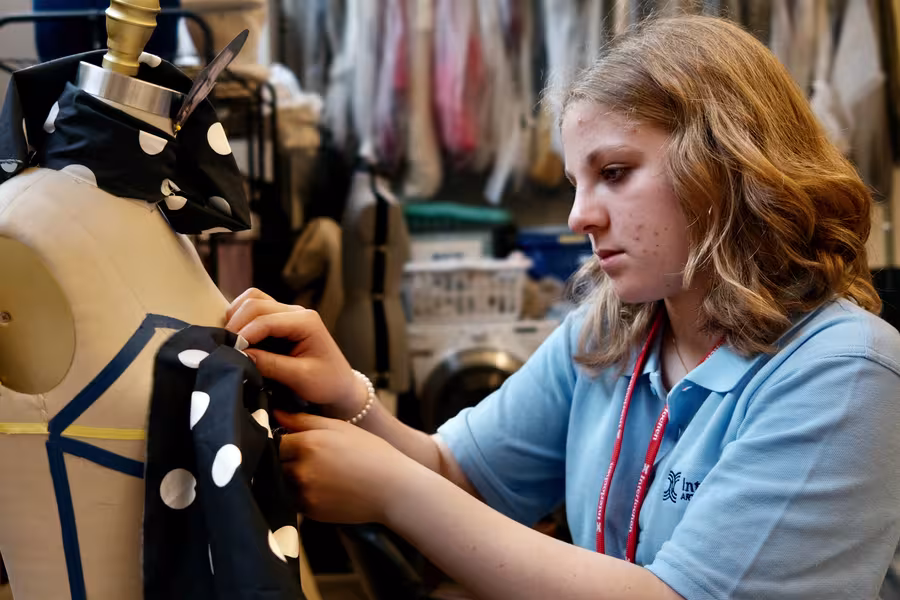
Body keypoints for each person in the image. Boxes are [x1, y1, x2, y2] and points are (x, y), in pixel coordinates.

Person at [224, 15, 900, 600]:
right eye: (578, 181)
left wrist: (395, 493)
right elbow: (462, 477)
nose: (579, 215)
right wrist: (348, 394)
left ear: (725, 163)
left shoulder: (845, 373)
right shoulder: (614, 332)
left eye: (613, 173)